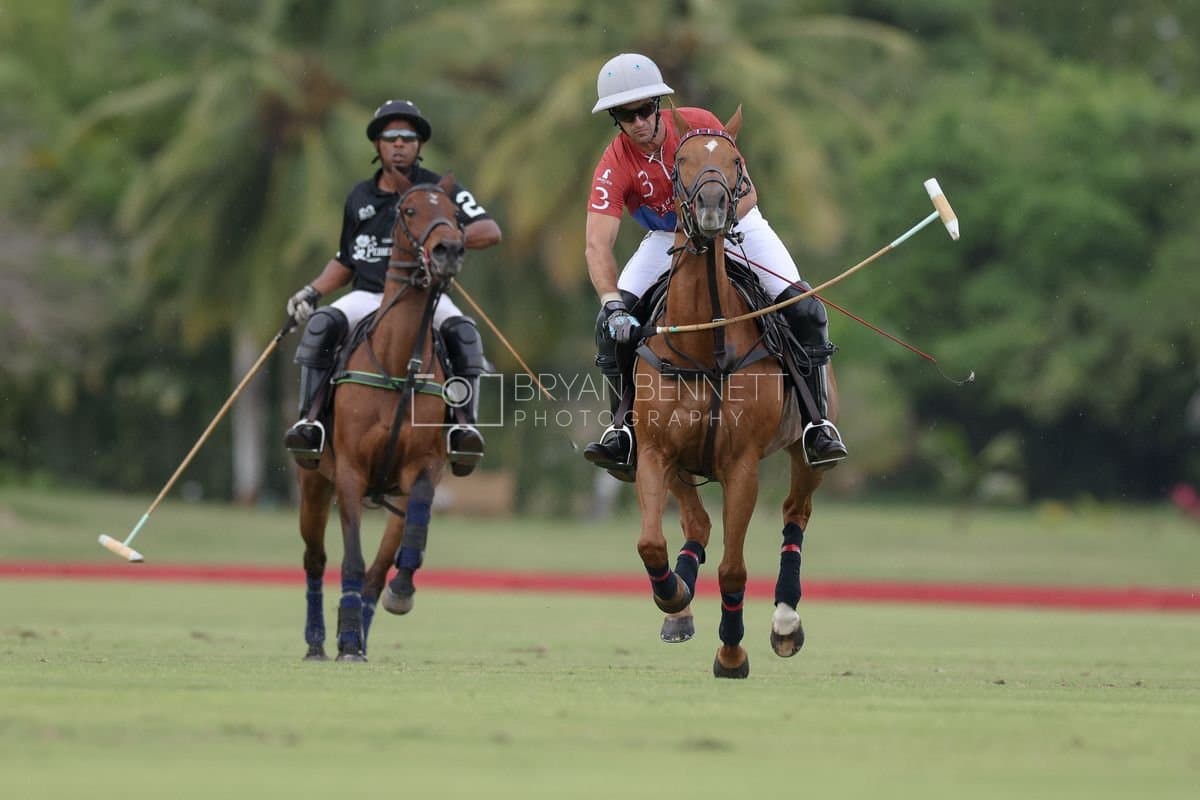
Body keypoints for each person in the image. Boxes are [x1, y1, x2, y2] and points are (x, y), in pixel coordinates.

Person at [581, 53, 848, 478]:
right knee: (607, 327)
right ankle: (623, 431)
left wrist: (716, 225)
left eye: (645, 109)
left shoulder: (700, 124)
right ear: (616, 119)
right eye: (624, 115)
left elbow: (747, 192)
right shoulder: (615, 164)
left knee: (808, 310)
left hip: (737, 223)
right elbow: (597, 244)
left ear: (658, 105)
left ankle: (817, 424)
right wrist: (613, 303)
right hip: (666, 238)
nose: (638, 122)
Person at [283, 98, 502, 476]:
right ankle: (311, 423)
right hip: (369, 295)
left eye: (408, 137)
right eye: (391, 137)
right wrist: (312, 291)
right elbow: (346, 259)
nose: (400, 143)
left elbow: (490, 230)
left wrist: (447, 240)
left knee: (466, 334)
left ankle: (463, 429)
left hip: (426, 298)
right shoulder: (360, 198)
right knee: (321, 324)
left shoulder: (439, 190)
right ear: (378, 145)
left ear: (419, 144)